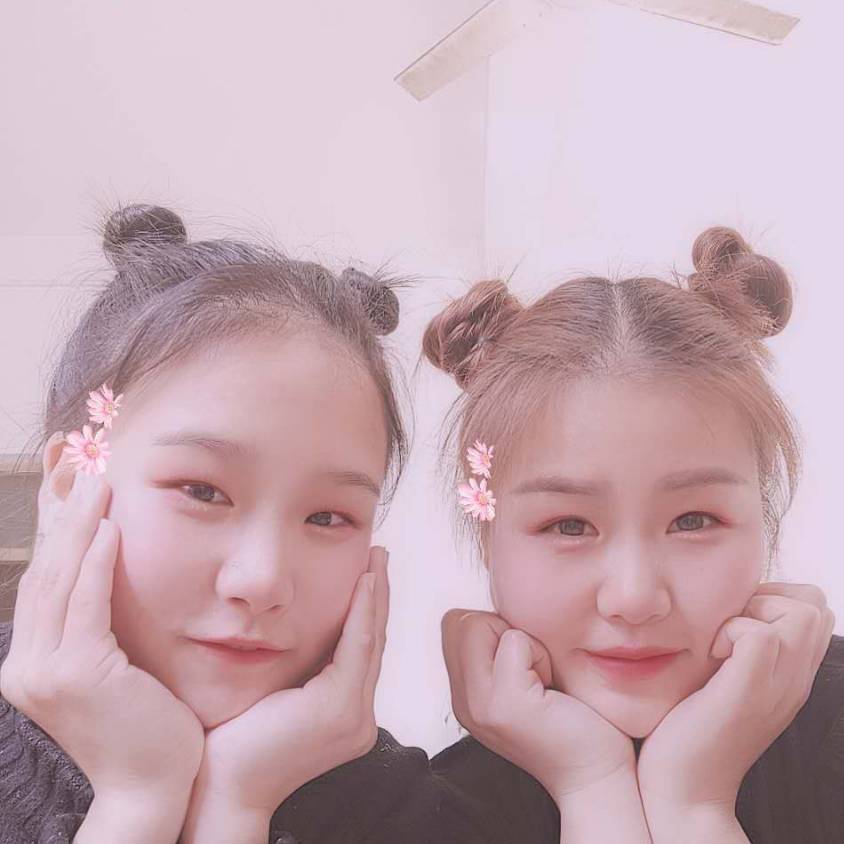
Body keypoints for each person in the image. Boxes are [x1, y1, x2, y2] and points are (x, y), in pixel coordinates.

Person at [0, 203, 431, 844]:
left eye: (328, 516)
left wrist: (235, 806)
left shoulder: (409, 810)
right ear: (69, 487)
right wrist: (138, 801)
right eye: (202, 491)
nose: (262, 581)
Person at [422, 227, 843, 843]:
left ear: (764, 514)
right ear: (488, 537)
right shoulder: (422, 815)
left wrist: (693, 804)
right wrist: (593, 788)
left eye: (693, 521)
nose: (634, 598)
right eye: (569, 525)